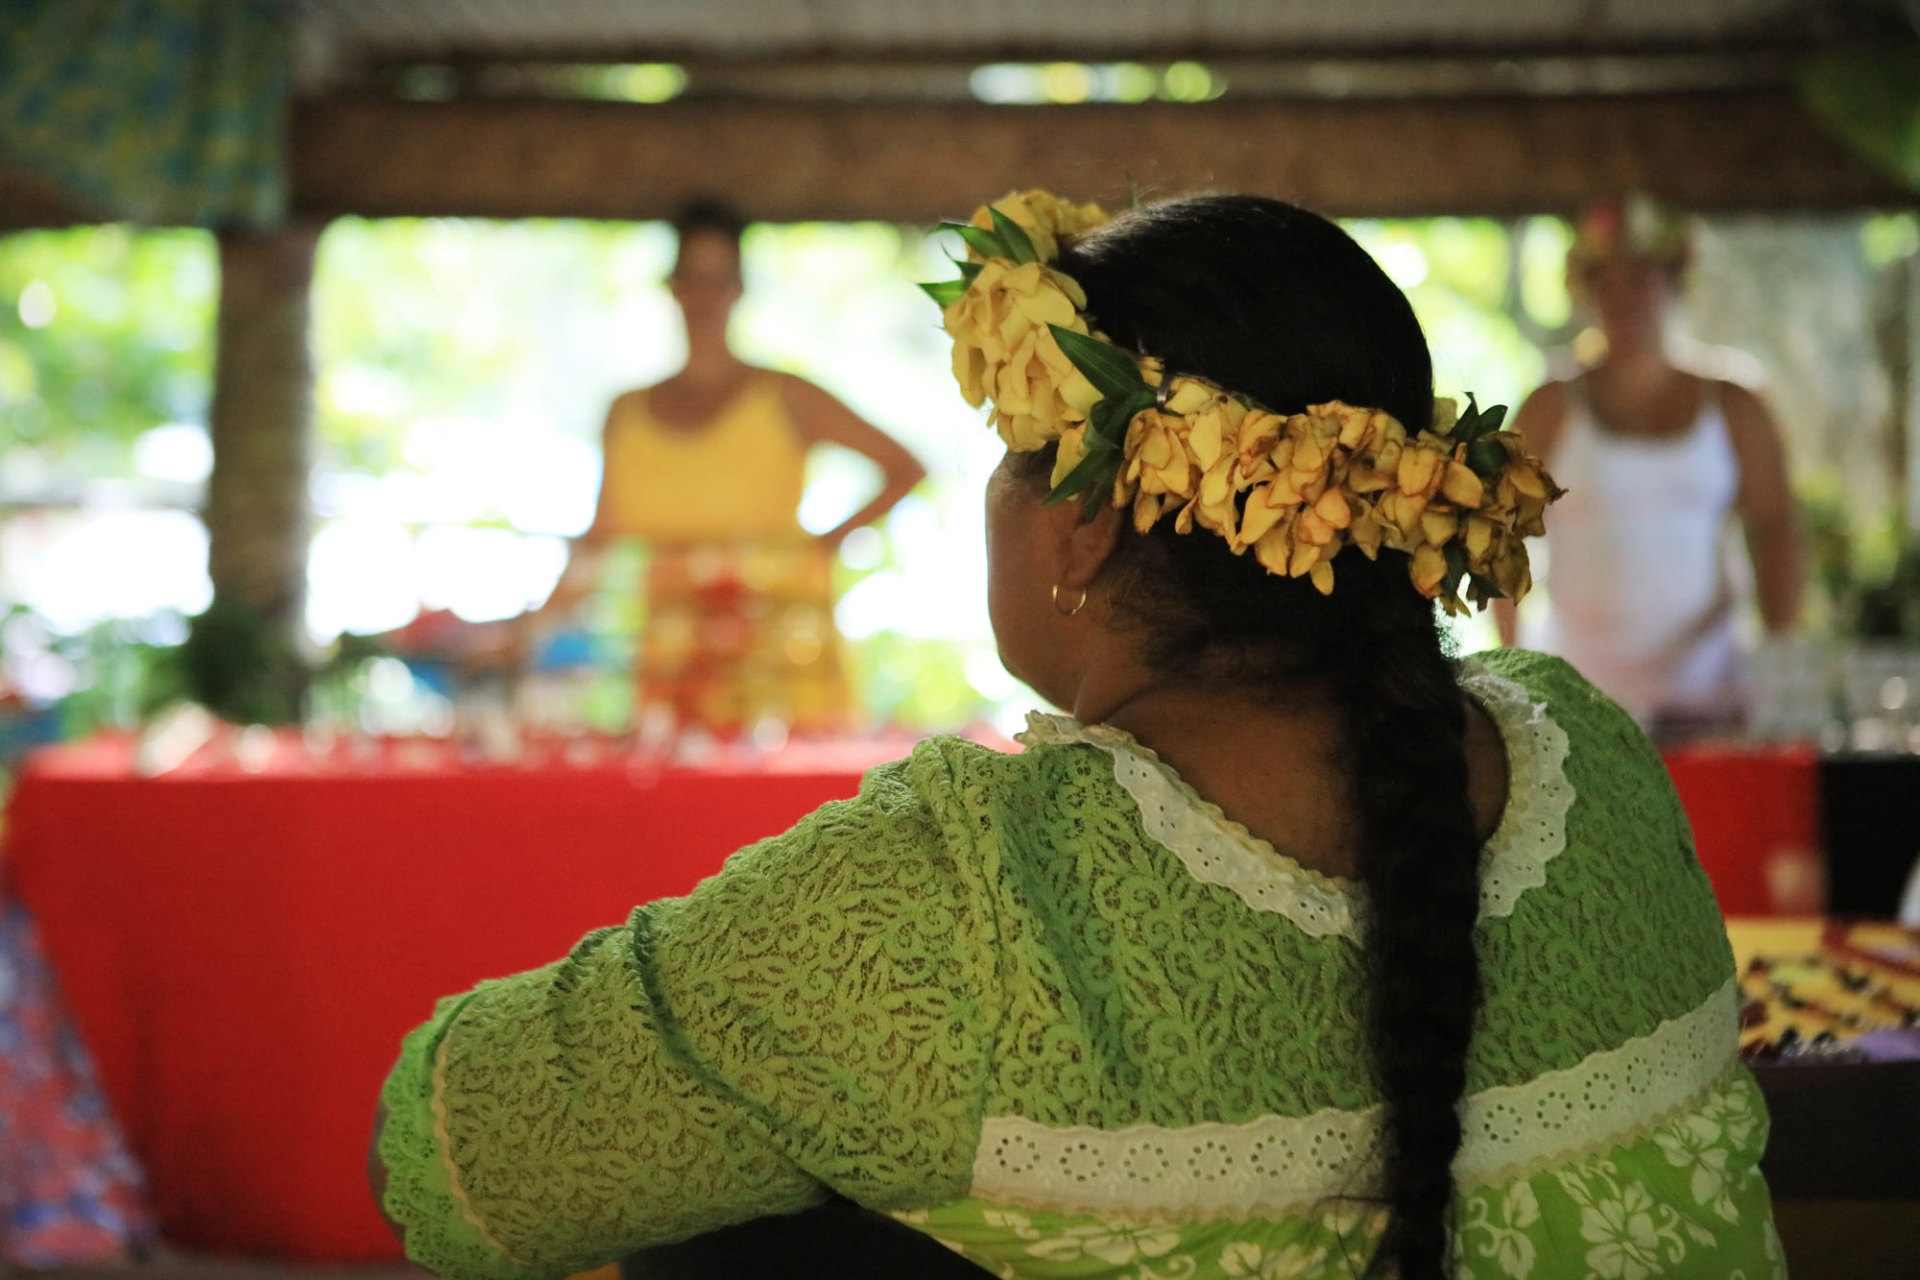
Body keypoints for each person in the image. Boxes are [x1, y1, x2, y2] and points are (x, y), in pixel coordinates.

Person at [372, 193, 1780, 1279]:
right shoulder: (1594, 762)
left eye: (1008, 448)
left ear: (1087, 524)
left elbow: (447, 1159)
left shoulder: (948, 907)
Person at [535, 200, 925, 738]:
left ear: (740, 289)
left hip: (782, 670)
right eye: (693, 277)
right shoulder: (626, 413)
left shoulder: (787, 395)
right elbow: (598, 541)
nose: (705, 295)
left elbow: (904, 467)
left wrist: (821, 547)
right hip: (666, 675)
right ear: (671, 285)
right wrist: (530, 628)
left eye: (720, 278)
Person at [1494, 194, 1805, 734]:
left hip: (1710, 699)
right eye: (1604, 280)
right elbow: (1498, 539)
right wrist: (1511, 678)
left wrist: (1780, 680)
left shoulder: (1734, 404)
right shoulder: (1547, 407)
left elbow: (1776, 531)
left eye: (1638, 277)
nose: (1622, 297)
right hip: (1574, 705)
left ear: (1673, 280)